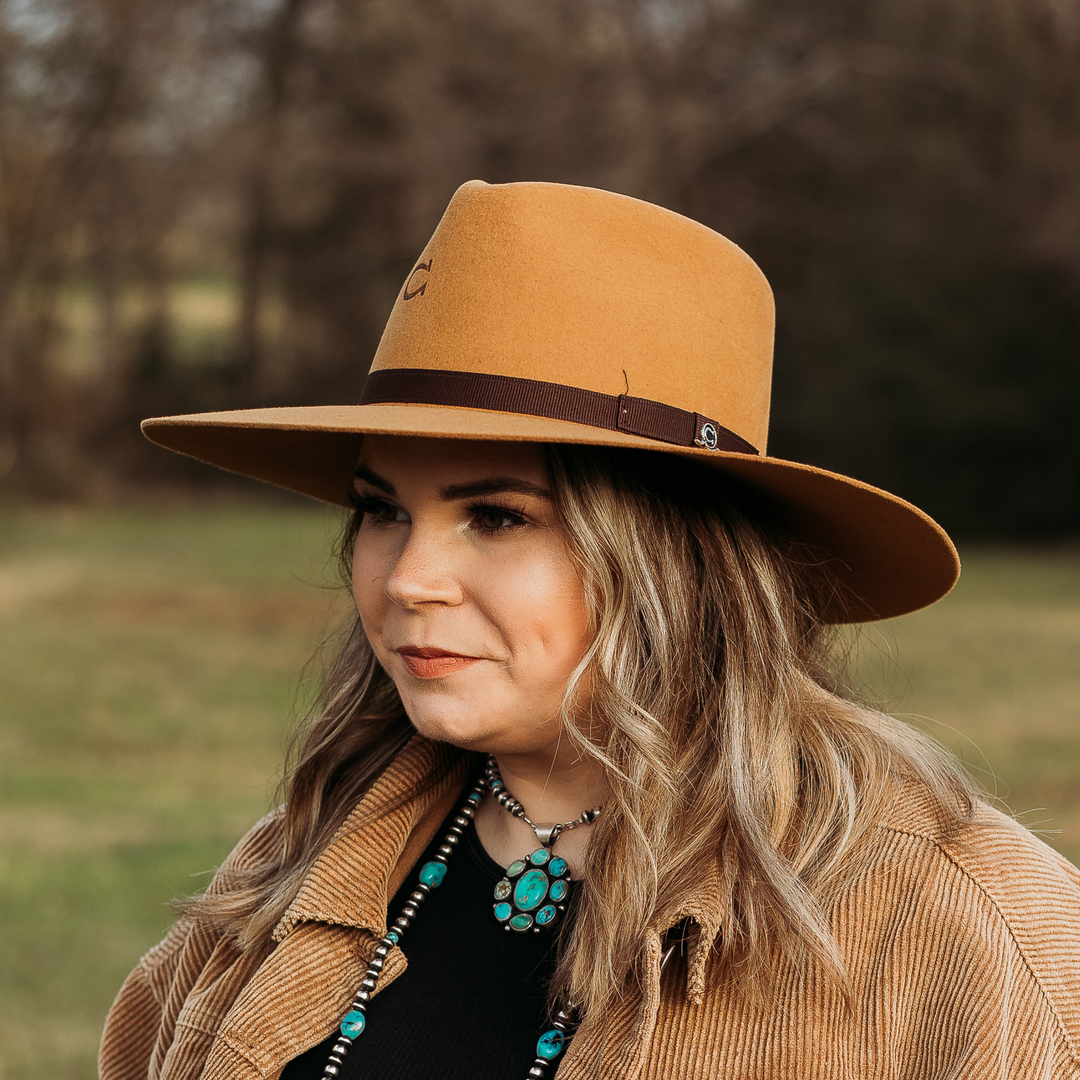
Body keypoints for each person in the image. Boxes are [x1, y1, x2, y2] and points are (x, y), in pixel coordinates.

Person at [100, 181, 1080, 1080]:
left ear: (675, 561)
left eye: (497, 516)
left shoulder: (959, 922)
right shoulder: (304, 858)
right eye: (382, 509)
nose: (408, 579)